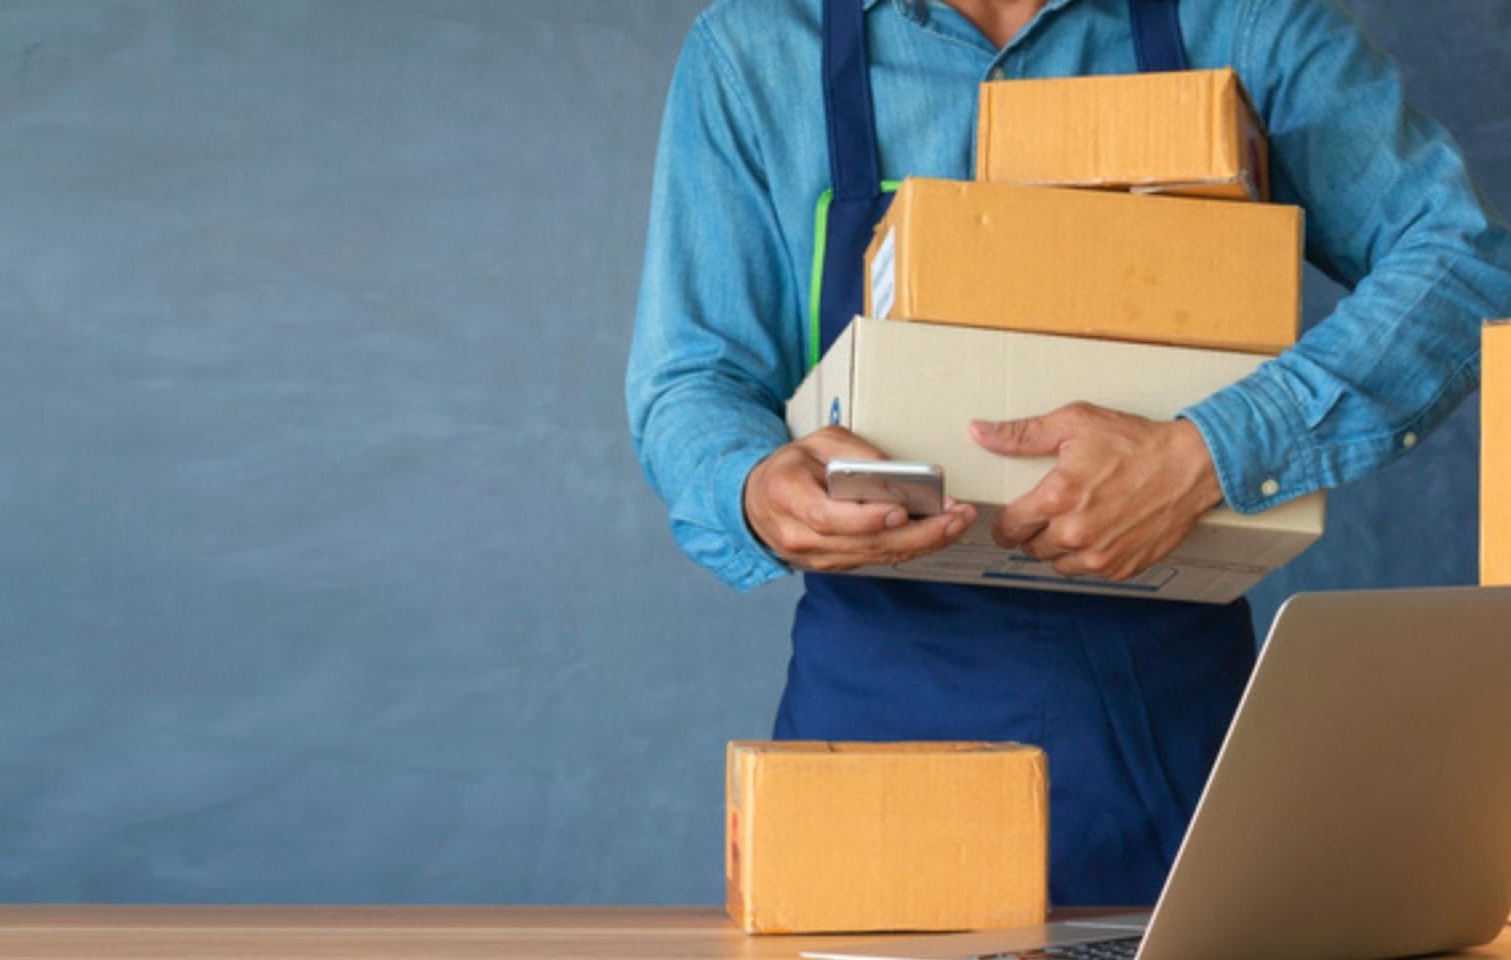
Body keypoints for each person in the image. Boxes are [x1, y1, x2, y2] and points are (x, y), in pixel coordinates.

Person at [626, 0, 1511, 906]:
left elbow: (1467, 257)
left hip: (1165, 731)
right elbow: (693, 379)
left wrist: (1208, 452)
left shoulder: (1242, 26)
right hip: (876, 722)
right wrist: (753, 485)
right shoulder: (756, 51)